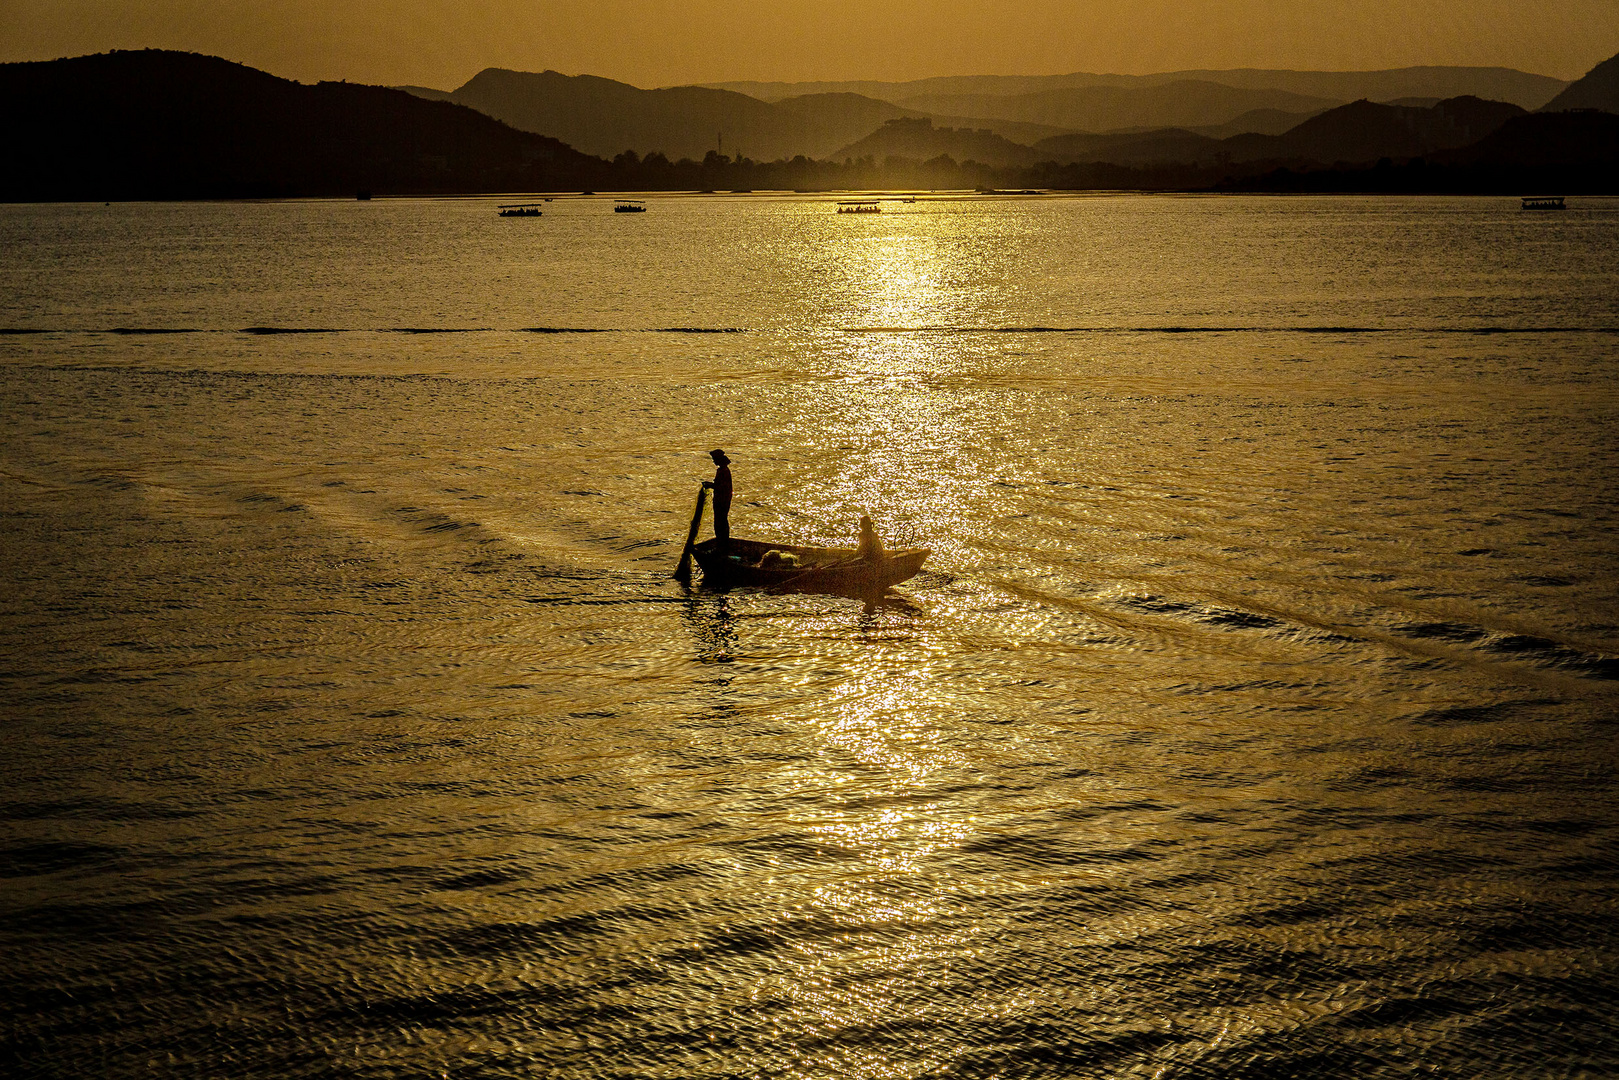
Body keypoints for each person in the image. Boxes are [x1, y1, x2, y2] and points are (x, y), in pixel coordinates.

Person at [702, 449, 732, 551]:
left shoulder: (724, 471)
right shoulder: (722, 470)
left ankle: (722, 545)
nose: (714, 461)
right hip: (721, 500)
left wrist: (711, 485)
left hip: (722, 501)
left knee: (720, 522)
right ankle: (722, 543)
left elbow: (722, 487)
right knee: (720, 522)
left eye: (714, 459)